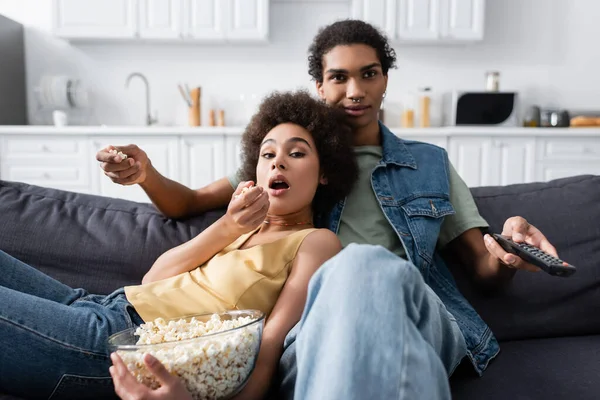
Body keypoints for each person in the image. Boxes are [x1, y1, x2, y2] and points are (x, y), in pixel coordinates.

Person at [99, 20, 560, 400]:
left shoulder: (429, 164)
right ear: (320, 86)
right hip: (317, 321)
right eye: (339, 77)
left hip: (414, 309)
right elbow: (191, 203)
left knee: (363, 265)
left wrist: (506, 254)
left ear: (385, 79)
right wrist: (146, 174)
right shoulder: (287, 157)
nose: (355, 90)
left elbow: (483, 268)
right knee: (345, 286)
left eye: (369, 73)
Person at [0, 91, 357, 400]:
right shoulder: (240, 228)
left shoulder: (316, 242)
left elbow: (269, 348)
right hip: (102, 305)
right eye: (267, 154)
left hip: (123, 348)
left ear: (324, 172)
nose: (278, 160)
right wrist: (228, 227)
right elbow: (152, 280)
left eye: (296, 154)